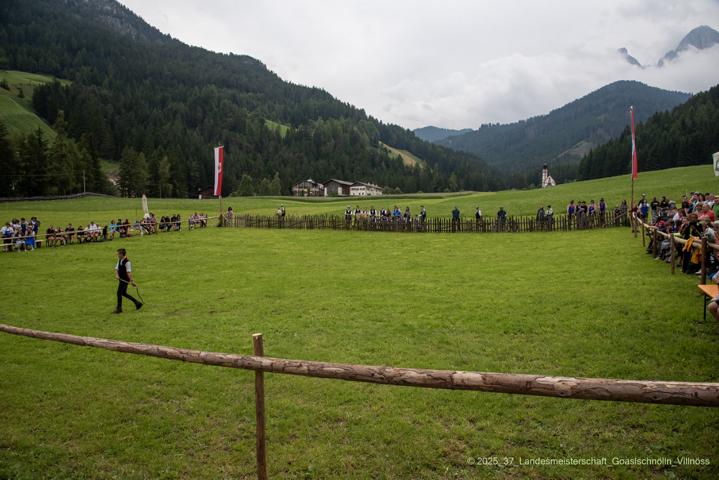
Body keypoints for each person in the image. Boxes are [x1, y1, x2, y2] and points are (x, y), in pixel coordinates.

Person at [115, 248, 143, 313]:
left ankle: (119, 309)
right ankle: (137, 303)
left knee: (119, 293)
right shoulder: (119, 260)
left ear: (122, 254)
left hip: (125, 280)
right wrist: (117, 275)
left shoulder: (127, 262)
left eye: (118, 254)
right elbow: (116, 268)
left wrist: (132, 282)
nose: (117, 255)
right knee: (123, 293)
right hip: (121, 279)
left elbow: (129, 273)